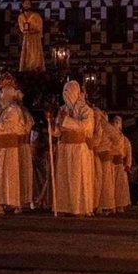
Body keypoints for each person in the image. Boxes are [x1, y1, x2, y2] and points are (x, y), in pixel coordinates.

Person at [0, 85, 32, 214]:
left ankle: (11, 201)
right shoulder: (3, 110)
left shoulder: (13, 110)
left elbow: (5, 126)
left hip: (9, 149)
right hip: (0, 148)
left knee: (8, 176)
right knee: (0, 176)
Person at [52, 81, 95, 216]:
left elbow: (85, 126)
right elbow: (58, 131)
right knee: (64, 178)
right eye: (64, 92)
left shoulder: (85, 110)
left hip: (78, 148)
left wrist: (66, 122)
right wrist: (52, 125)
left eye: (68, 91)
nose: (66, 95)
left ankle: (79, 208)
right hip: (64, 148)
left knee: (77, 177)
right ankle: (64, 207)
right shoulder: (62, 109)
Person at [91, 106, 116, 214]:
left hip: (104, 157)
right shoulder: (97, 126)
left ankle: (108, 206)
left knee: (105, 183)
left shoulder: (103, 127)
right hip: (98, 156)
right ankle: (99, 205)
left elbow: (116, 139)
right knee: (98, 182)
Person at [17, 0, 45, 72]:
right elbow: (21, 27)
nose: (27, 5)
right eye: (25, 3)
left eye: (28, 3)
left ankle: (36, 67)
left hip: (35, 38)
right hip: (27, 38)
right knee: (27, 53)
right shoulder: (21, 16)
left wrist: (34, 30)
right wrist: (25, 31)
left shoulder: (36, 15)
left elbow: (40, 27)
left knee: (35, 53)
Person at [112, 116, 132, 213]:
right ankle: (110, 205)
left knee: (120, 186)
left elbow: (128, 152)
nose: (115, 124)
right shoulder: (109, 137)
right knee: (110, 185)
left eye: (117, 122)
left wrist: (128, 164)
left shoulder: (124, 139)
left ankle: (120, 205)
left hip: (120, 165)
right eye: (114, 122)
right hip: (110, 164)